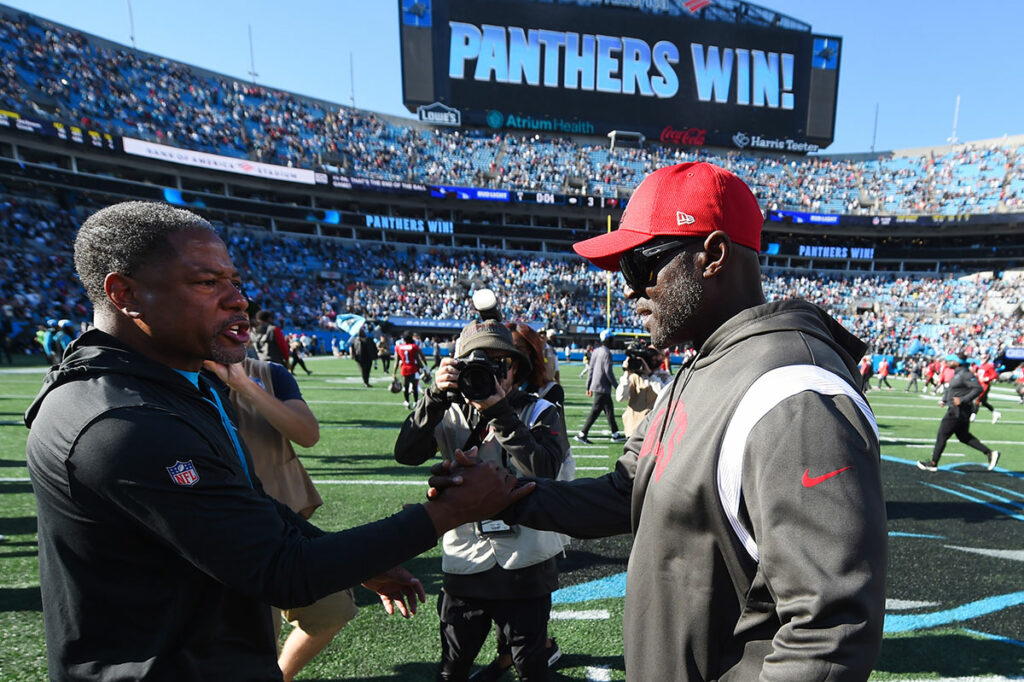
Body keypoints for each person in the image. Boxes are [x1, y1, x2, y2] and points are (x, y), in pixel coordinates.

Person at [24, 201, 533, 680]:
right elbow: (280, 571)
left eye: (235, 281)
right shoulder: (122, 421)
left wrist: (366, 562)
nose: (238, 300)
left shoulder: (171, 387)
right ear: (126, 294)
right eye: (207, 282)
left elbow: (253, 512)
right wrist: (445, 514)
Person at [448, 162, 887, 680]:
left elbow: (828, 631)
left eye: (638, 266)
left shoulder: (794, 394)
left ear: (713, 255)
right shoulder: (703, 366)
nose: (629, 292)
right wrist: (506, 495)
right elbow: (625, 492)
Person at [394, 319, 570, 682]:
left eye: (498, 363)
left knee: (530, 665)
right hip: (465, 558)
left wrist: (498, 411)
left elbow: (544, 467)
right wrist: (434, 396)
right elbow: (406, 453)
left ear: (514, 368)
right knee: (453, 666)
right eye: (475, 362)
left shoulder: (539, 410)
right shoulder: (447, 411)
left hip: (526, 558)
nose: (489, 372)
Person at [204, 350, 355, 681]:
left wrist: (246, 386)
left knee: (334, 607)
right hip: (220, 537)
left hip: (281, 523)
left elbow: (307, 434)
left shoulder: (270, 374)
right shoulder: (173, 374)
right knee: (254, 639)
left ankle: (281, 675)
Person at [918, 353, 1000, 472]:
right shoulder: (958, 373)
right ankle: (990, 453)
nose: (948, 362)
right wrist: (945, 400)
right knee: (963, 436)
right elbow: (955, 390)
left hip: (959, 411)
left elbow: (978, 388)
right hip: (957, 410)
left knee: (942, 434)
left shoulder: (965, 373)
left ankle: (933, 463)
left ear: (957, 361)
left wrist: (962, 400)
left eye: (950, 360)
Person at [574, 329, 623, 444]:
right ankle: (582, 434)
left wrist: (588, 386)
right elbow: (608, 372)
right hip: (602, 387)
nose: (613, 341)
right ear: (607, 340)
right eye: (612, 338)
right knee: (595, 411)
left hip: (597, 385)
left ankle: (615, 434)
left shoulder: (596, 351)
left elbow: (590, 369)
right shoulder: (607, 353)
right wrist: (617, 386)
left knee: (609, 410)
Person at [614, 344, 670, 437]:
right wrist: (626, 374)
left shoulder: (665, 377)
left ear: (662, 357)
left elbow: (665, 395)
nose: (653, 358)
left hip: (655, 430)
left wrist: (650, 375)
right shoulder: (635, 376)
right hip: (633, 429)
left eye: (656, 354)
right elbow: (620, 398)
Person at [394, 330, 427, 408]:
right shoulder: (414, 346)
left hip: (404, 369)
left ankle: (407, 402)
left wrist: (394, 372)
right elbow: (419, 358)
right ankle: (415, 402)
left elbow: (396, 361)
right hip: (413, 369)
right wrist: (425, 367)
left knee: (406, 387)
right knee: (415, 387)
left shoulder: (399, 347)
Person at [971, 356, 1001, 424]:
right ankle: (995, 413)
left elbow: (994, 375)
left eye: (983, 358)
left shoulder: (989, 366)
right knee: (983, 402)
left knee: (977, 399)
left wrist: (986, 379)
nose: (982, 359)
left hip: (984, 385)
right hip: (979, 384)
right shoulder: (981, 366)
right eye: (981, 358)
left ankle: (973, 415)